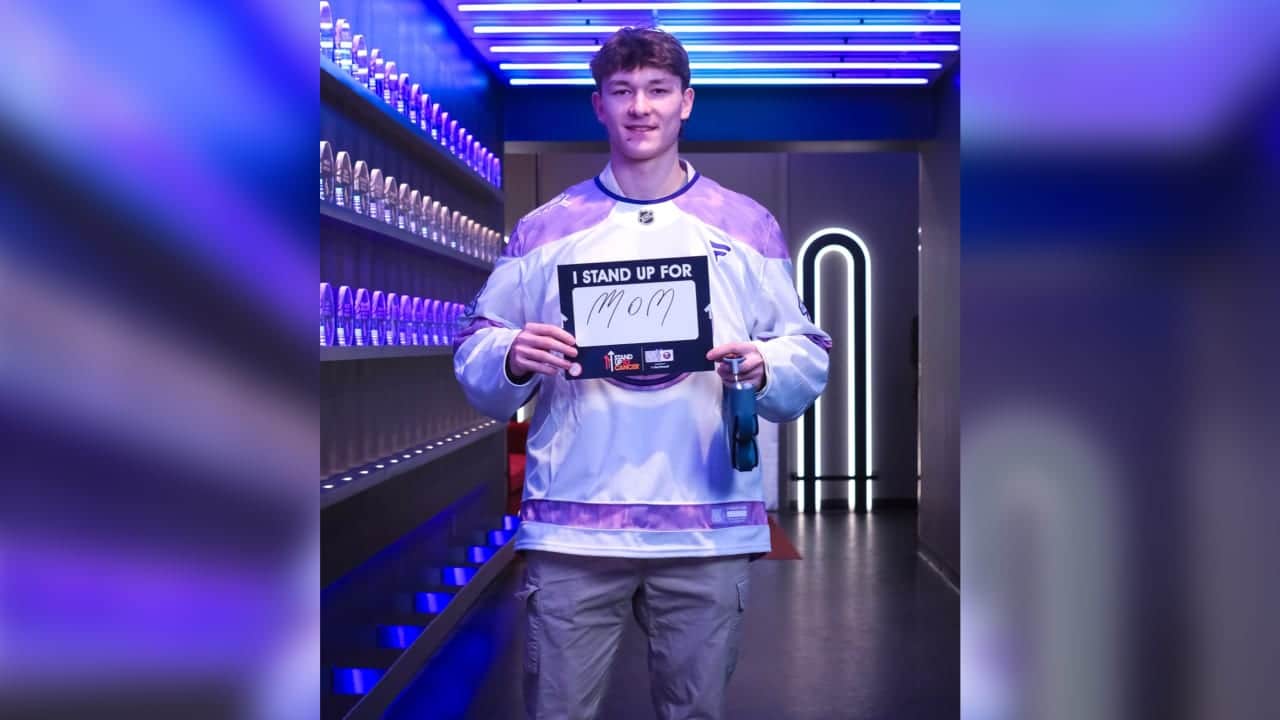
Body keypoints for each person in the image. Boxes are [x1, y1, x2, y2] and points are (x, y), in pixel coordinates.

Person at [453, 26, 830, 720]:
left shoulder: (746, 225)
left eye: (658, 90)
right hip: (574, 524)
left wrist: (765, 363)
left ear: (687, 101)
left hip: (706, 522)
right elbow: (475, 346)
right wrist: (510, 354)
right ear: (598, 104)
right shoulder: (545, 229)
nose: (640, 107)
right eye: (622, 91)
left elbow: (805, 349)